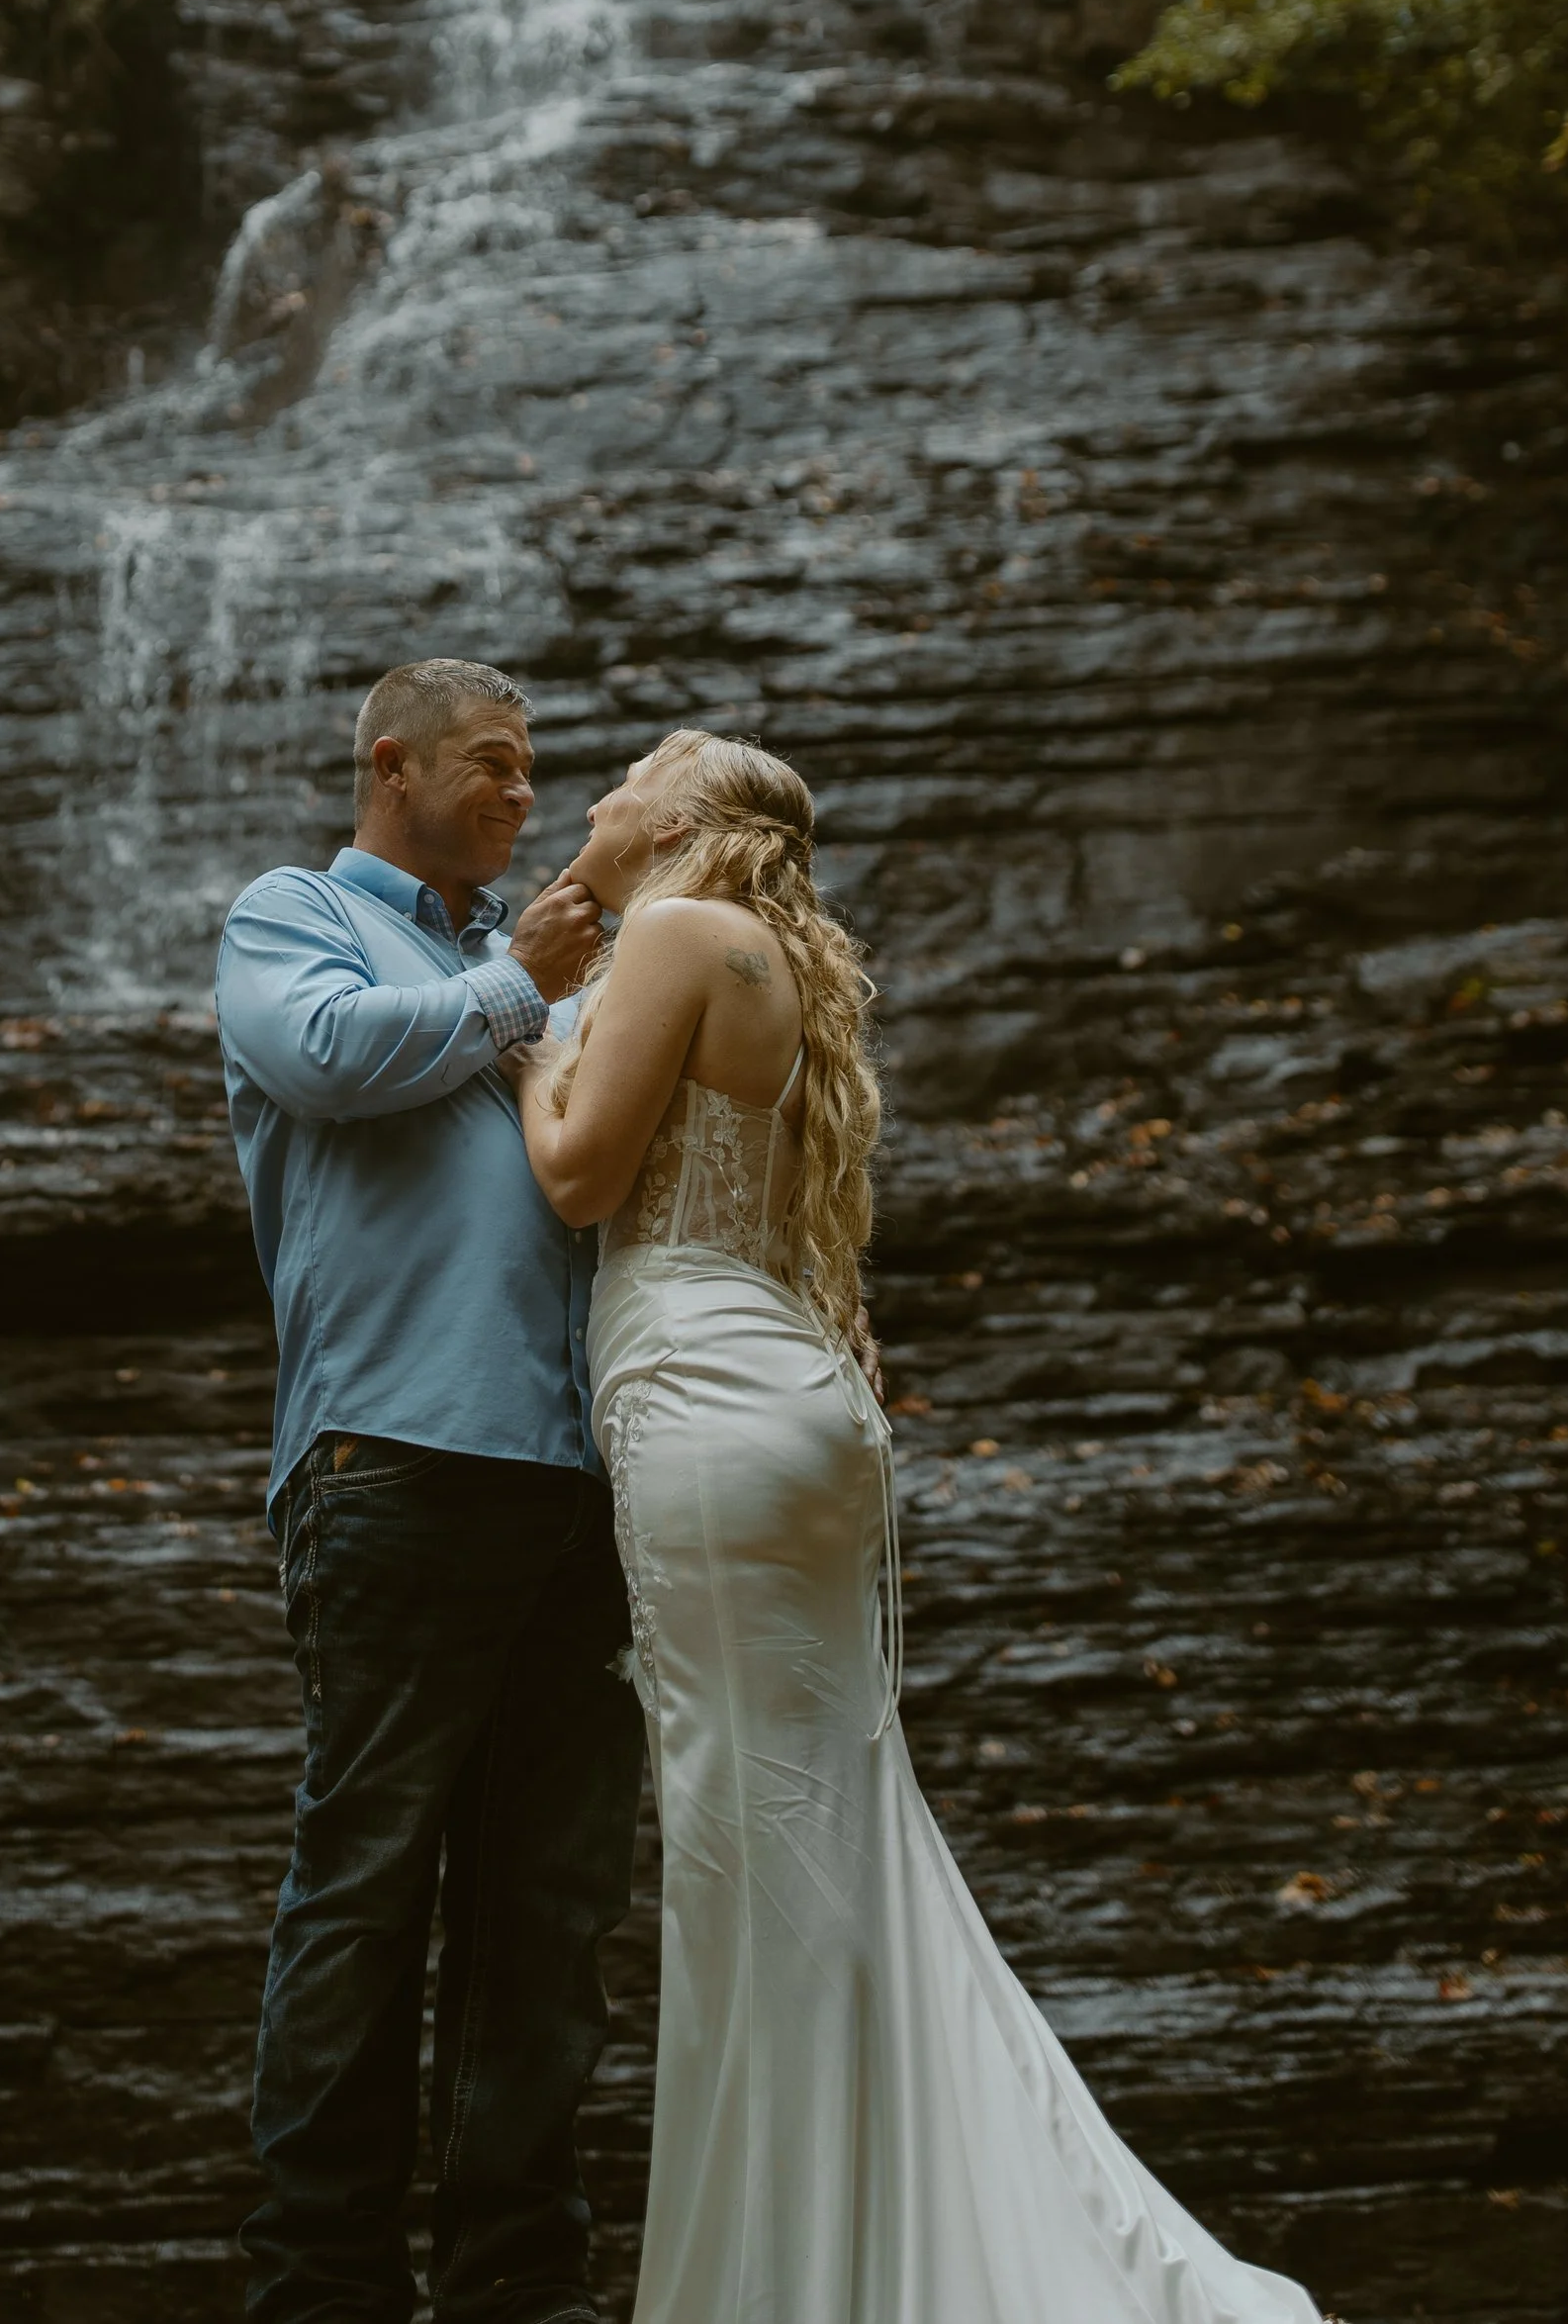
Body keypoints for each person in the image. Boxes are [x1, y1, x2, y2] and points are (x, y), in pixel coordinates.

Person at [515, 726, 1327, 2324]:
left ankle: (793, 2280)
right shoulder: (783, 963)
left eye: (624, 780)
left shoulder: (678, 930)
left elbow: (578, 1173)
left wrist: (513, 1031)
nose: (595, 802)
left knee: (748, 1854)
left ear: (680, 818)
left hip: (703, 1406)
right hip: (793, 1406)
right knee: (832, 1843)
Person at [216, 658, 640, 2324]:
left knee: (550, 1900)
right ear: (390, 763)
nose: (520, 796)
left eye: (534, 774)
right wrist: (519, 985)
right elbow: (319, 1056)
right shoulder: (297, 913)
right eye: (491, 764)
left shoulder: (523, 973)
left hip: (579, 1481)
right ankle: (321, 2284)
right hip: (394, 1459)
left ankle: (519, 2283)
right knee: (370, 1878)